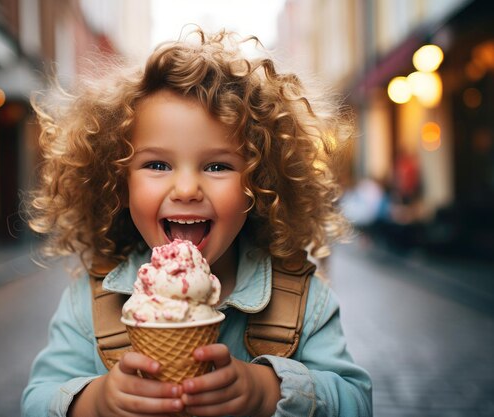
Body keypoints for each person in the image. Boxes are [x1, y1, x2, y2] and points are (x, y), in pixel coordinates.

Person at [22, 28, 372, 417]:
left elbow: (356, 401)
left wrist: (268, 391)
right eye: (157, 164)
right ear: (119, 183)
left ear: (258, 183)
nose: (187, 188)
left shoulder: (303, 301)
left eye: (217, 166)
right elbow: (37, 400)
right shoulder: (91, 303)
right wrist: (96, 402)